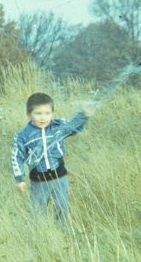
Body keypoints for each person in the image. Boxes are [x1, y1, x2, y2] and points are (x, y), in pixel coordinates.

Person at [10, 93, 93, 225]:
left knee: (62, 206)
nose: (43, 117)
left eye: (47, 113)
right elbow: (16, 157)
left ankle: (62, 233)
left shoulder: (57, 126)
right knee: (38, 211)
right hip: (39, 180)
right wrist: (19, 179)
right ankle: (40, 235)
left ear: (52, 113)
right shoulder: (23, 135)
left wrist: (83, 116)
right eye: (38, 113)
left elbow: (73, 127)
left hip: (59, 176)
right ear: (28, 114)